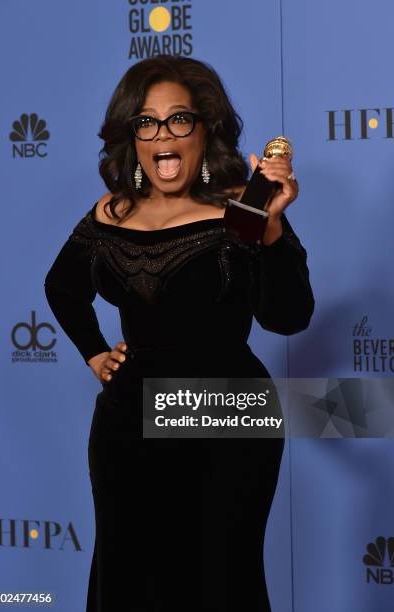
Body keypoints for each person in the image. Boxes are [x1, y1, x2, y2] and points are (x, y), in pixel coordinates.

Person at [44, 54, 314, 612]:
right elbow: (61, 288)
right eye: (147, 122)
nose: (163, 135)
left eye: (179, 120)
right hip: (128, 420)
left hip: (226, 410)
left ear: (205, 128)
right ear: (132, 136)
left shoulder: (241, 208)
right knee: (127, 573)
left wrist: (273, 226)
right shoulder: (110, 213)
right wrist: (95, 353)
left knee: (218, 576)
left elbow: (287, 317)